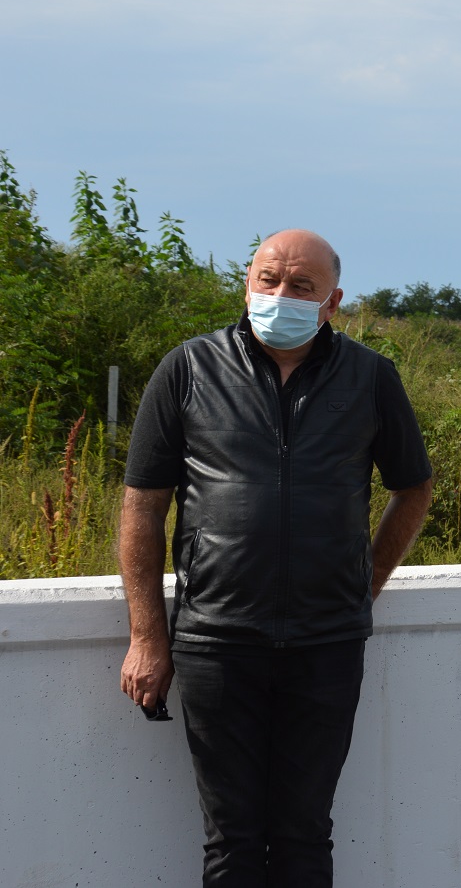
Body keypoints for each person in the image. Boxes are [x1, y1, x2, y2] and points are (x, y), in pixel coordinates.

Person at [117, 229, 434, 887]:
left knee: (303, 836)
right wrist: (147, 637)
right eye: (268, 279)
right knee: (231, 841)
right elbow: (142, 506)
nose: (280, 293)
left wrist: (365, 584)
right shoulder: (188, 368)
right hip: (215, 642)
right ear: (247, 284)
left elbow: (413, 487)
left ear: (333, 302)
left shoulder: (371, 376)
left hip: (327, 644)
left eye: (301, 285)